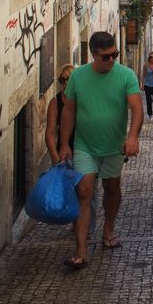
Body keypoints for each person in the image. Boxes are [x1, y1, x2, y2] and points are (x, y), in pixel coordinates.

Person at [59, 32, 143, 270]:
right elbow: (68, 112)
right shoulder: (78, 77)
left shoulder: (125, 75)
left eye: (114, 54)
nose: (111, 60)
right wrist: (64, 144)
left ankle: (108, 230)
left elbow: (137, 109)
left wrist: (132, 137)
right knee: (84, 192)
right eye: (106, 56)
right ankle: (81, 251)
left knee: (112, 188)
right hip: (84, 145)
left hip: (114, 146)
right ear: (93, 55)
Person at [45, 65, 97, 237]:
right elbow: (50, 133)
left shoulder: (85, 99)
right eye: (62, 80)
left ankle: (85, 229)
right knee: (72, 193)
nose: (66, 83)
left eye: (69, 79)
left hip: (86, 151)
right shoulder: (55, 103)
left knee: (88, 192)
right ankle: (78, 224)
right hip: (65, 154)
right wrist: (55, 156)